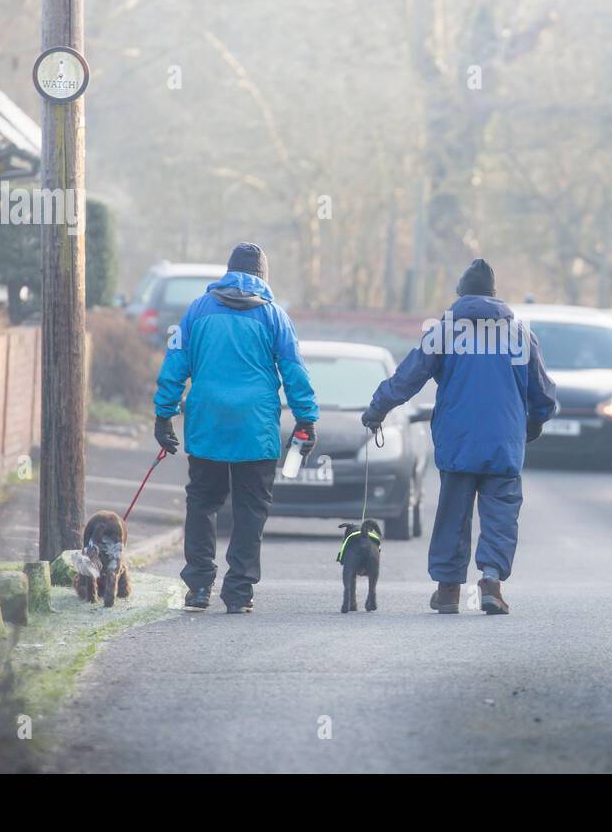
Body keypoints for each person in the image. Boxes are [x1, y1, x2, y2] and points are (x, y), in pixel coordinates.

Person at [361, 258, 556, 614]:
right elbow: (542, 391)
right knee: (500, 515)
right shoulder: (520, 334)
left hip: (458, 441)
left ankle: (449, 589)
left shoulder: (444, 331)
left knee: (453, 513)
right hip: (503, 443)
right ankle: (492, 583)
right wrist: (536, 421)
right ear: (496, 295)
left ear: (461, 295)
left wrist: (377, 409)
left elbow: (408, 377)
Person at [152, 242, 319, 614]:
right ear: (263, 277)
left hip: (208, 421)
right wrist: (306, 418)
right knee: (250, 509)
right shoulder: (275, 317)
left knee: (202, 503)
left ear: (227, 272)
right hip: (255, 427)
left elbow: (175, 363)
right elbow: (294, 370)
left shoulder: (196, 311)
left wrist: (164, 414)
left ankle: (198, 586)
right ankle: (239, 591)